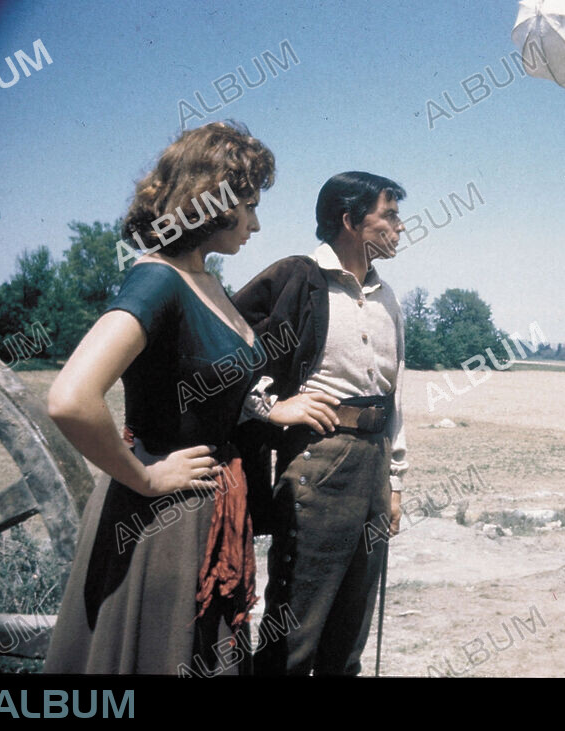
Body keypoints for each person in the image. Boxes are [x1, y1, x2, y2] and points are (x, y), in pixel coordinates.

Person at [44, 122, 276, 674]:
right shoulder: (158, 280)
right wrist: (145, 477)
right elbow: (71, 397)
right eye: (247, 205)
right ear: (213, 202)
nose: (256, 223)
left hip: (211, 509)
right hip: (162, 517)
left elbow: (213, 385)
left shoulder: (208, 281)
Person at [233, 171, 407, 675]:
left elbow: (398, 396)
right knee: (295, 634)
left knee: (350, 635)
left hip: (373, 465)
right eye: (389, 216)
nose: (400, 227)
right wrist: (267, 406)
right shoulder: (298, 279)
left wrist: (394, 483)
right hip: (319, 461)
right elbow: (223, 355)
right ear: (350, 220)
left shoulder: (387, 296)